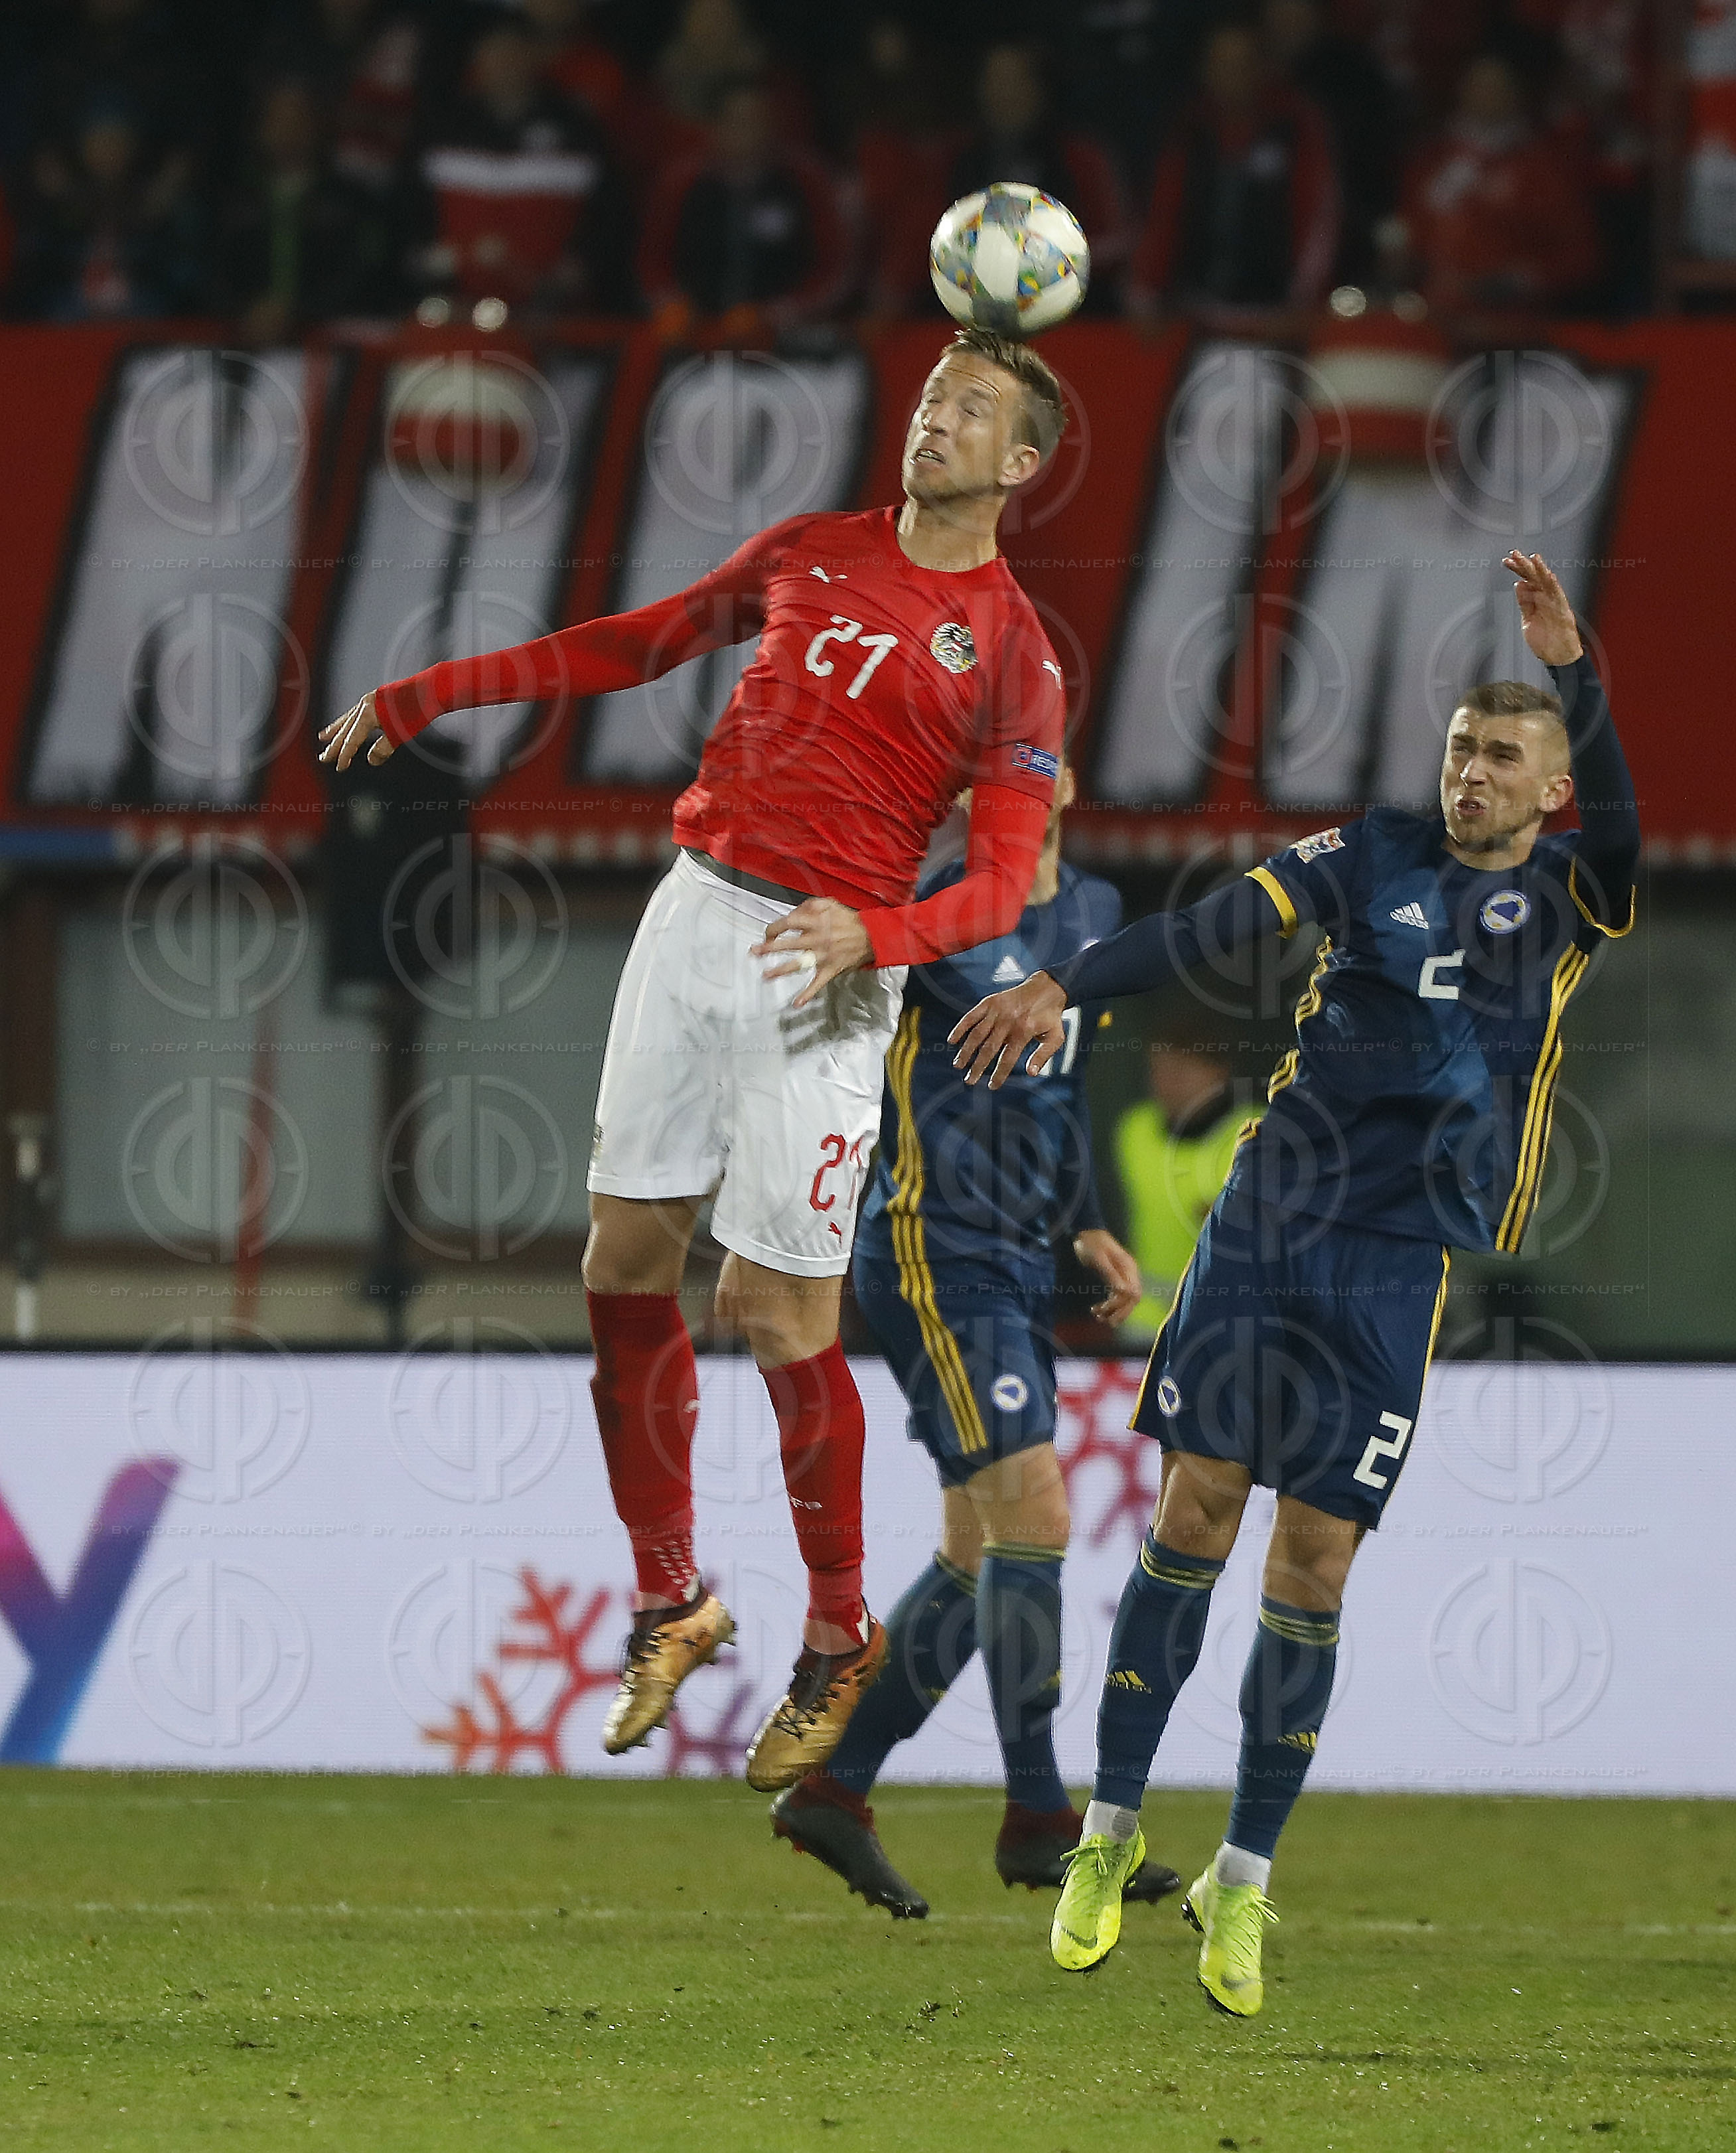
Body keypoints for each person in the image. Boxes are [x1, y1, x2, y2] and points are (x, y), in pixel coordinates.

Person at [318, 325, 1070, 1795]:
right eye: (930, 396)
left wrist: (883, 937)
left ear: (1021, 463)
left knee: (779, 1310)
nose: (934, 421)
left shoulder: (1017, 656)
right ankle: (672, 1595)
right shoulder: (813, 546)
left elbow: (1000, 886)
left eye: (971, 411)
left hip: (826, 963)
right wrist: (435, 693)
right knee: (621, 1255)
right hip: (694, 911)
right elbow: (630, 640)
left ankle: (842, 1630)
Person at [948, 554, 1638, 2011]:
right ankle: (1109, 1832)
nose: (1470, 772)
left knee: (1314, 1566)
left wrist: (1577, 671)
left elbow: (1630, 824)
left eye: (1503, 755)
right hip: (1272, 1223)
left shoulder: (1577, 892)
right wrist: (1067, 982)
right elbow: (1211, 928)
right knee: (1197, 1508)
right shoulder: (1374, 850)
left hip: (1401, 1265)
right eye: (1460, 746)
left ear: (1552, 786)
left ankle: (1243, 1884)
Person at [770, 763, 1181, 1916]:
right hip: (929, 1248)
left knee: (972, 1550)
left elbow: (1064, 1081)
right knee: (1036, 1516)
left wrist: (1088, 1217)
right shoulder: (929, 921)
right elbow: (826, 1052)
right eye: (979, 781)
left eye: (1020, 776)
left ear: (1063, 789)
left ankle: (834, 1789)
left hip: (1016, 1257)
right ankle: (1041, 1815)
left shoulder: (1092, 915)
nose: (996, 799)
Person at [1126, 21, 1338, 321]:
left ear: (1262, 66)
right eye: (1219, 64)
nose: (1229, 75)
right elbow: (1162, 215)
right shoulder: (1190, 131)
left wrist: (1303, 300)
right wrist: (1145, 292)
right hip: (1193, 311)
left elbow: (1319, 218)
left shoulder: (1295, 127)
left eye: (1240, 64)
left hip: (1273, 315)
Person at [638, 76, 849, 342]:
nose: (746, 130)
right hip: (696, 337)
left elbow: (835, 264)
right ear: (715, 125)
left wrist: (783, 313)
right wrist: (671, 304)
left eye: (756, 120)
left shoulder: (805, 181)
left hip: (785, 341)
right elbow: (652, 259)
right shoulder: (682, 182)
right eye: (736, 120)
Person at [1400, 52, 1599, 314]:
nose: (1485, 95)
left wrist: (1524, 279)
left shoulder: (1539, 169)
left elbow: (1581, 254)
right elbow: (1406, 228)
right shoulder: (1432, 159)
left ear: (1515, 95)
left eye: (1496, 87)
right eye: (1478, 86)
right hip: (1429, 314)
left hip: (1505, 323)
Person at [1114, 1040, 1252, 1341]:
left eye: (1184, 1070)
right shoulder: (1135, 1130)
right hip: (1147, 1320)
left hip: (1229, 1317)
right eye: (1159, 1071)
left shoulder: (1256, 1130)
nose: (1169, 1083)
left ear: (1219, 1073)